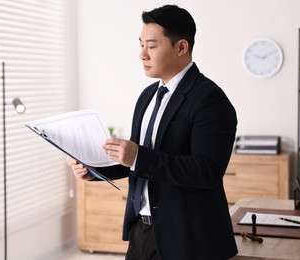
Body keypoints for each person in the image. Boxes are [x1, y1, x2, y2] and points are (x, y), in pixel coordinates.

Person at [69, 4, 238, 260]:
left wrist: (138, 156)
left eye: (152, 46)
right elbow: (136, 163)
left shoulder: (210, 99)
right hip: (141, 231)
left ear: (181, 47)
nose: (142, 55)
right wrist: (93, 169)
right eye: (140, 45)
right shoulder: (147, 97)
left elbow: (207, 171)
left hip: (188, 239)